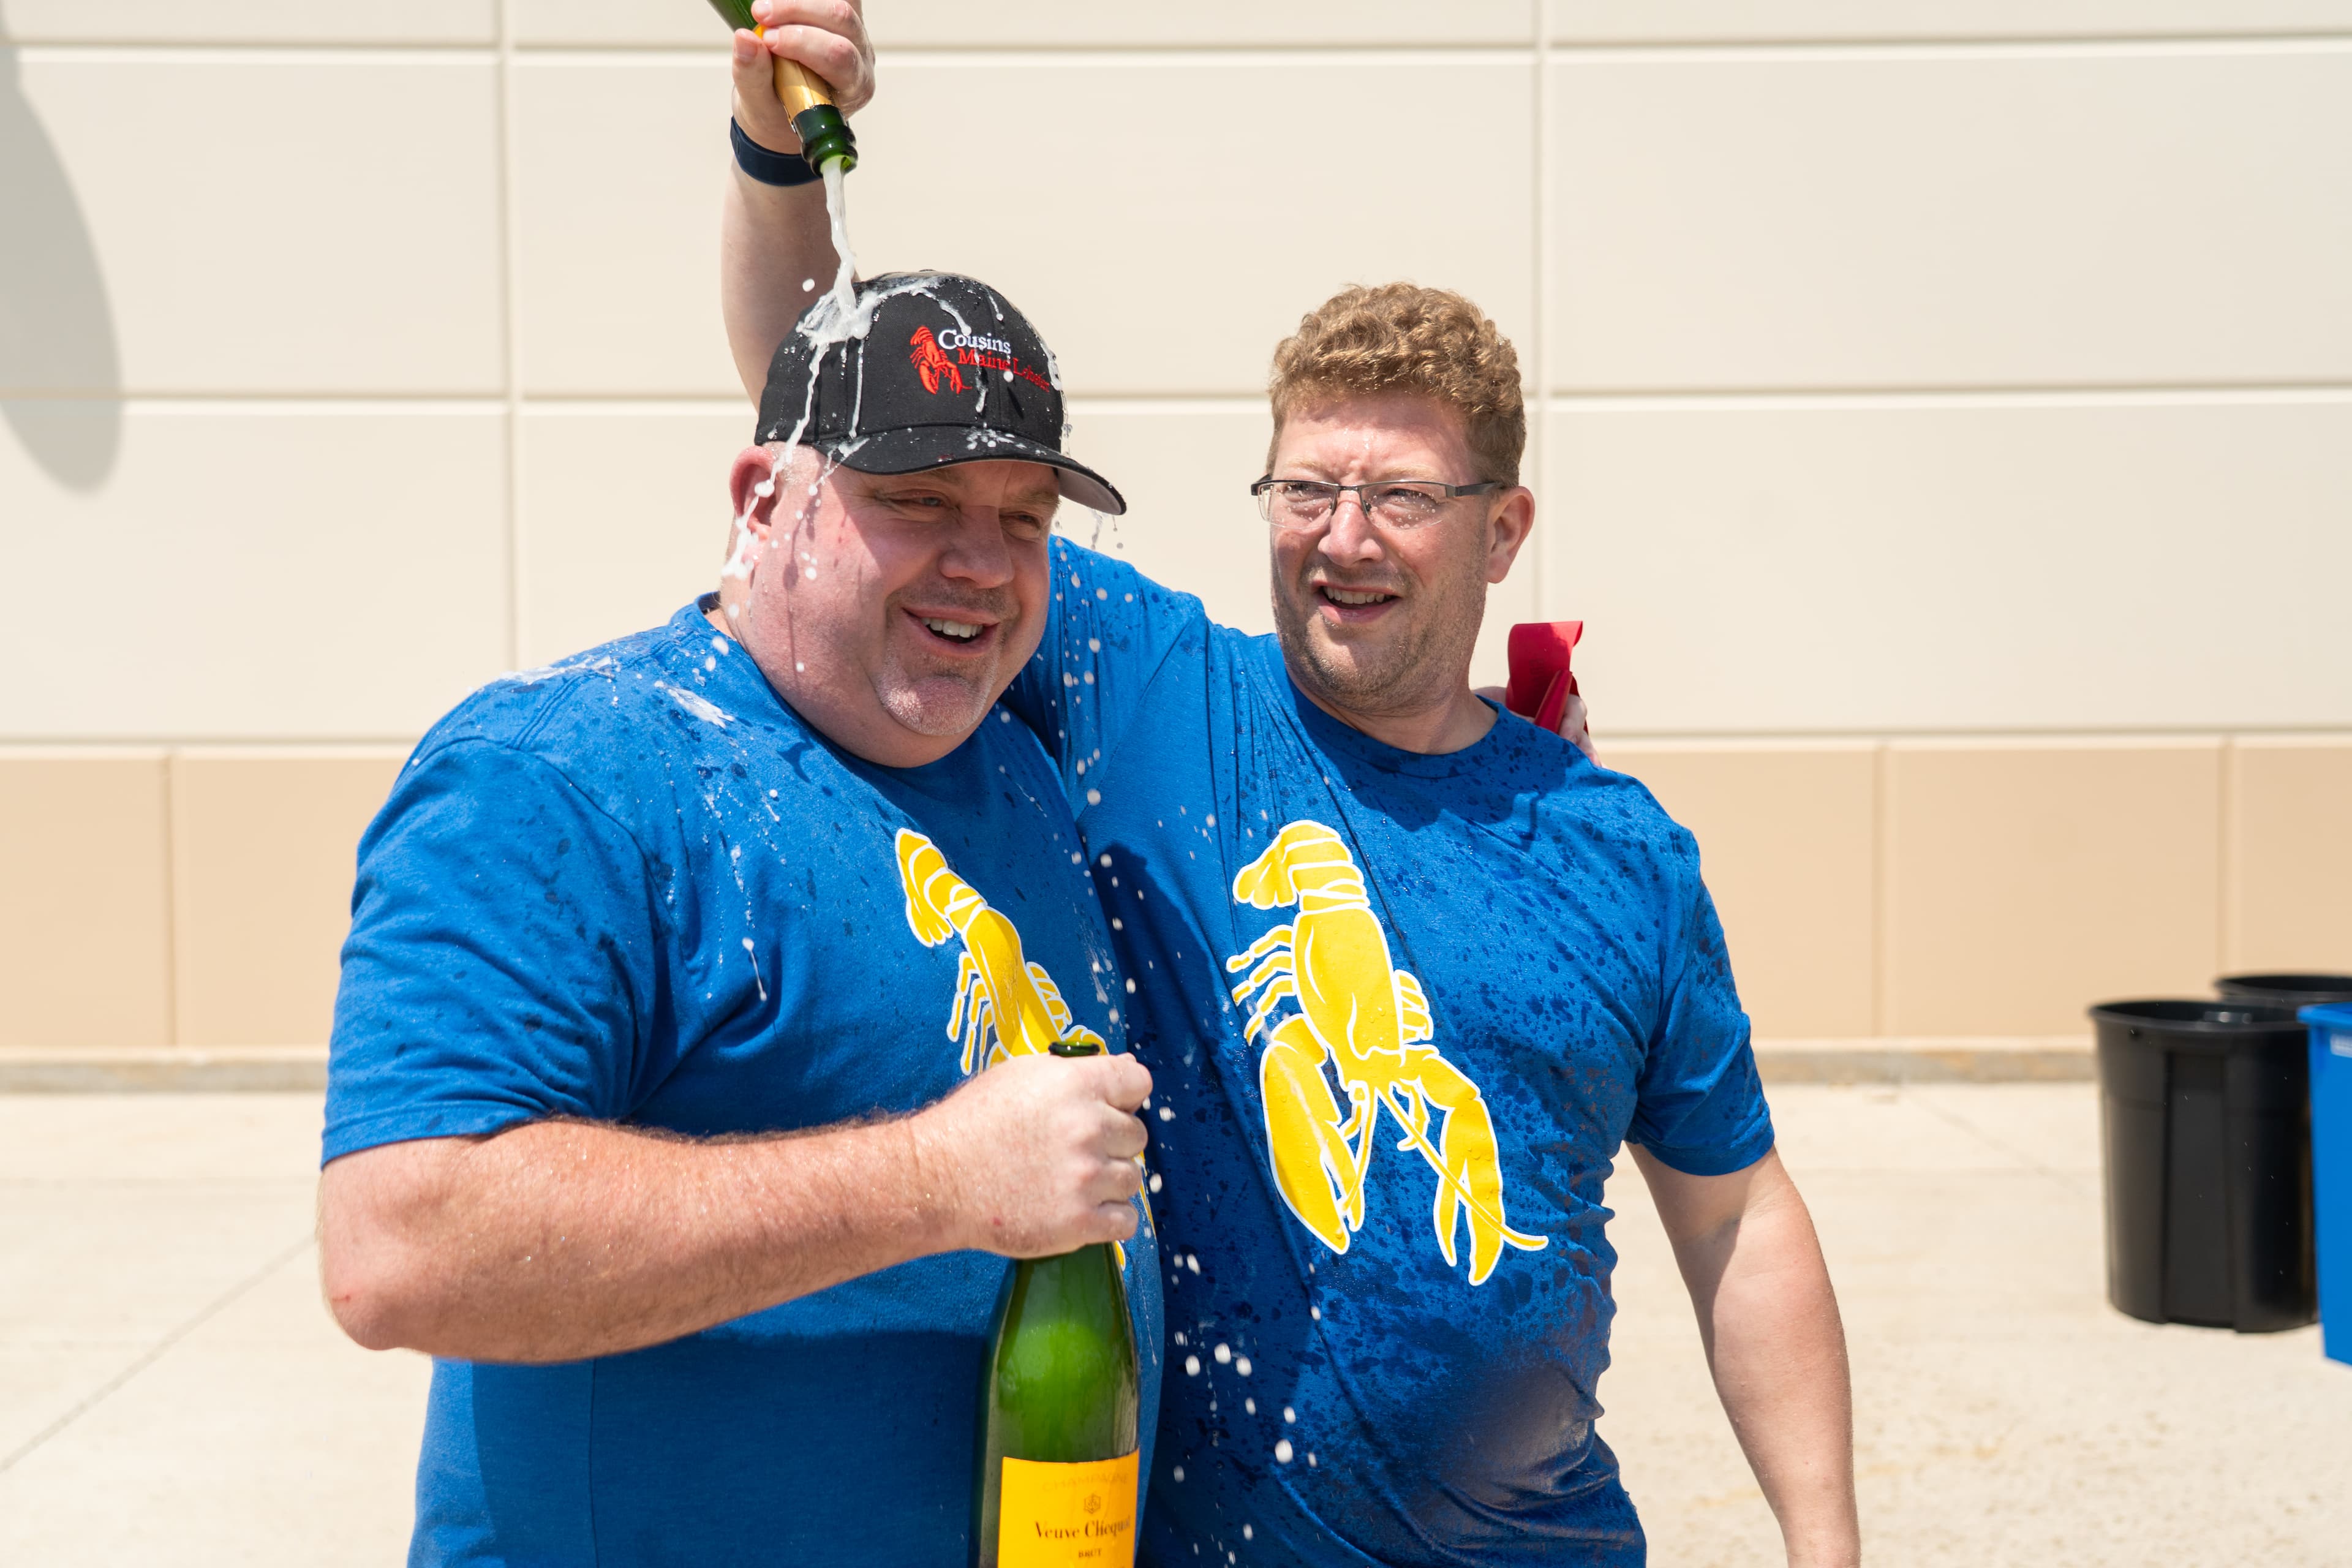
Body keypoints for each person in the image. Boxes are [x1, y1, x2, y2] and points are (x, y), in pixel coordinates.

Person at [719, 7, 1860, 1567]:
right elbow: (830, 417)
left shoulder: (1617, 846)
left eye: (1398, 495)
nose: (1341, 536)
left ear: (1504, 527)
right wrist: (782, 147)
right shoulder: (1151, 689)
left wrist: (1827, 1541)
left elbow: (1734, 1217)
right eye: (1305, 487)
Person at [317, 271, 1164, 1564]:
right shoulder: (567, 773)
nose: (983, 562)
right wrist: (939, 1180)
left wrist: (1478, 742)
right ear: (764, 500)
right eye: (916, 499)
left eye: (1024, 518)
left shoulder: (1021, 764)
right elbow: (402, 1242)